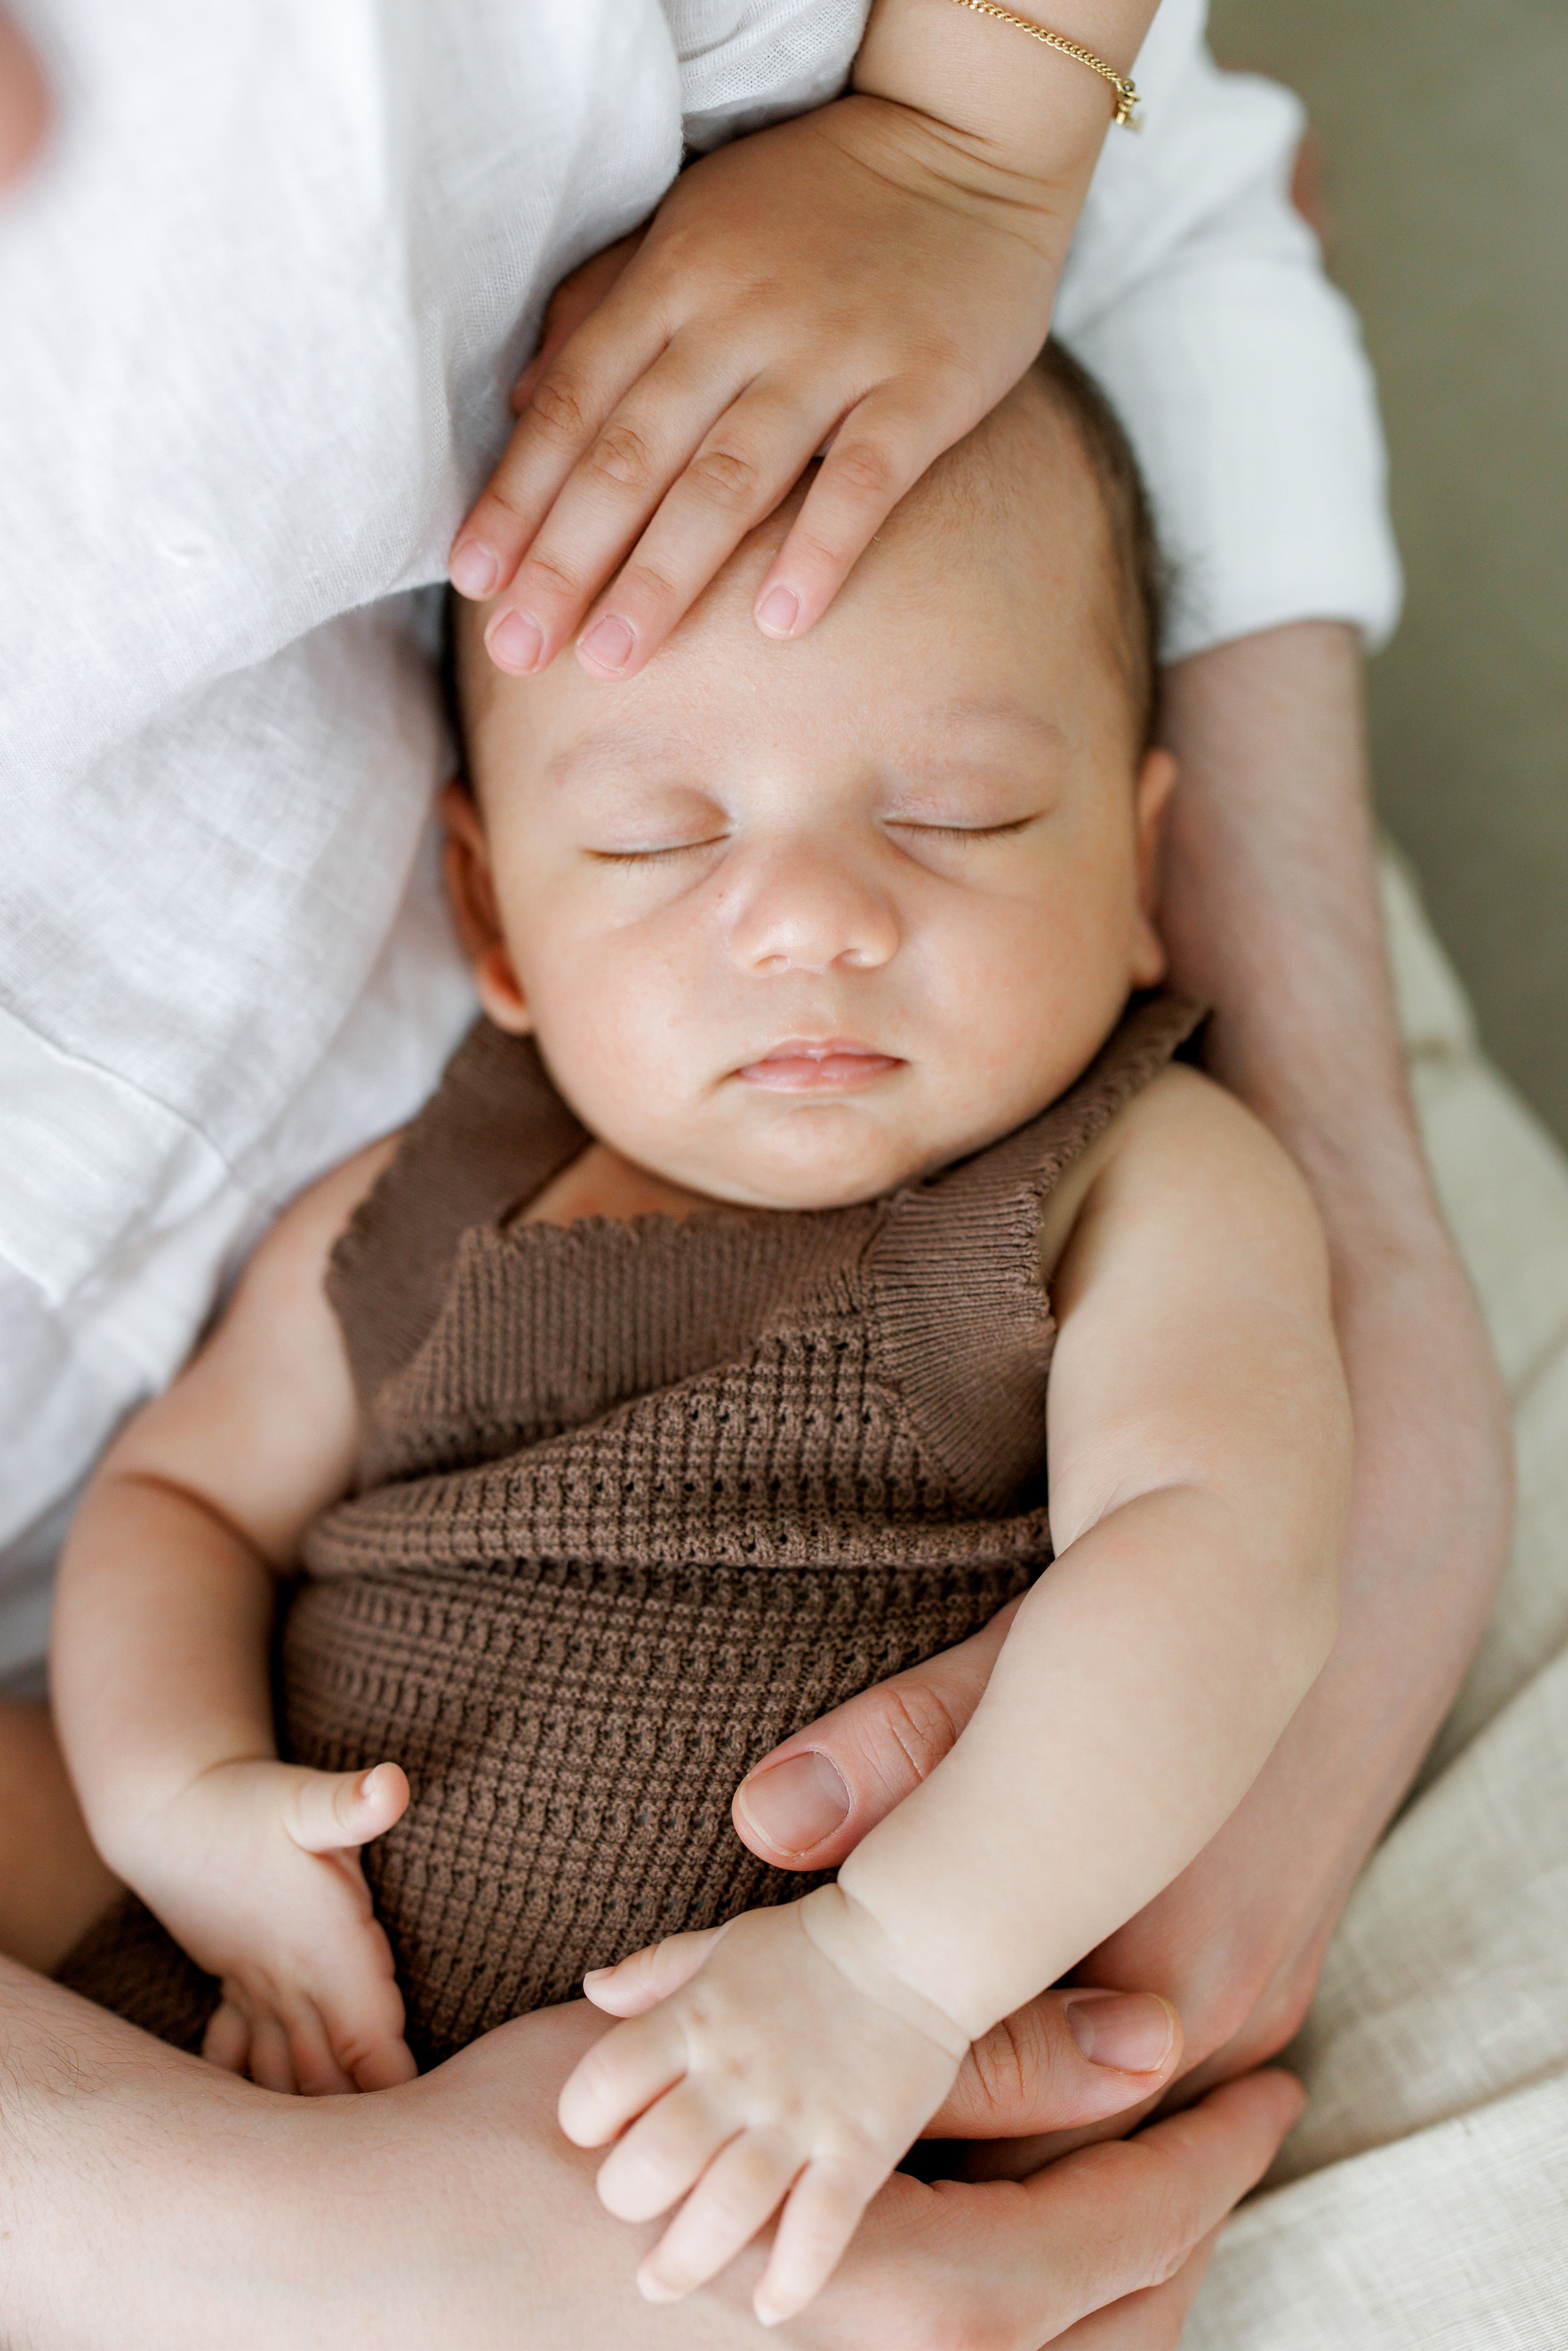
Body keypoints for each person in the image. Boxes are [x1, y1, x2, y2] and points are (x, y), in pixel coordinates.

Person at [0, 0, 1508, 2342]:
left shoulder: (1127, 1182)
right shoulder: (424, 1200)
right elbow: (181, 1508)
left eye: (954, 817)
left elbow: (1218, 1565)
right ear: (494, 922)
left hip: (858, 2081)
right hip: (267, 2016)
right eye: (658, 836)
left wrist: (894, 1972)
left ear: (1139, 868)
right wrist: (188, 1802)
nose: (812, 913)